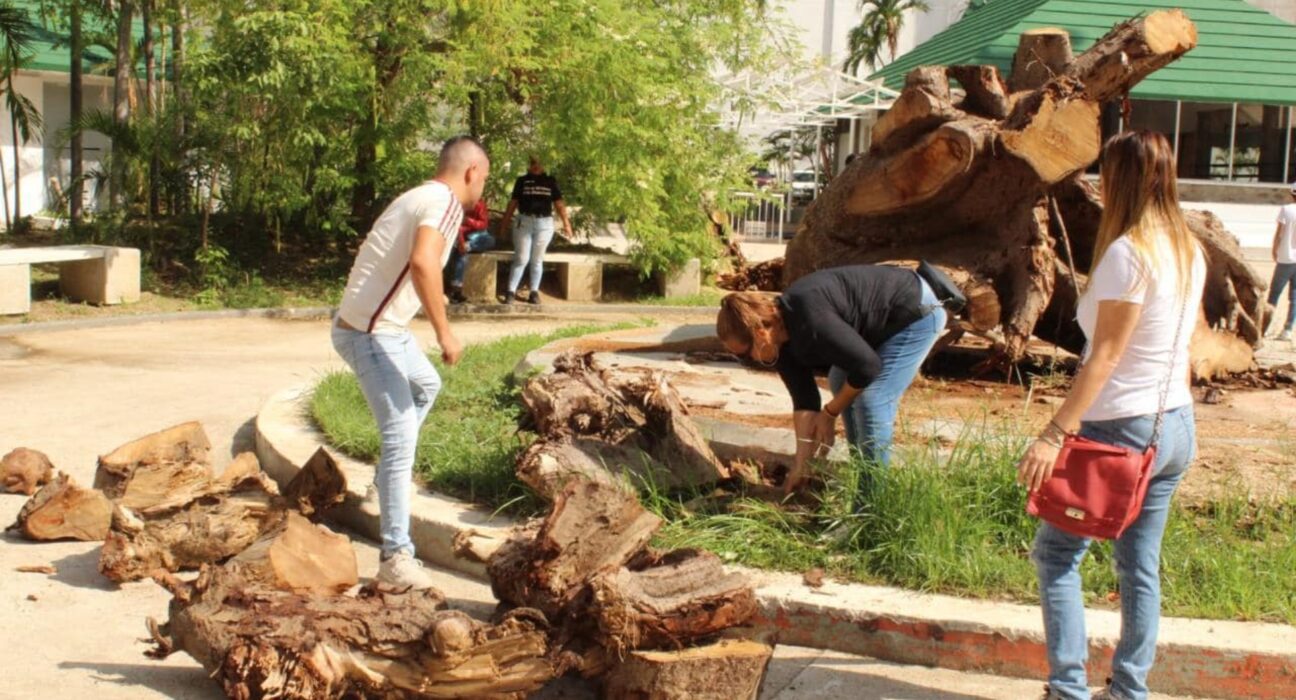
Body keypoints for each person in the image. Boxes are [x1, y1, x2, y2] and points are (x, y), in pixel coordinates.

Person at [1016, 131, 1204, 700]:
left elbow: (1105, 357)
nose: (1098, 184)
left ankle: (1068, 689)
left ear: (1124, 179)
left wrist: (1054, 432)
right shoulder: (1186, 247)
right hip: (1173, 423)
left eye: (1105, 173)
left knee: (1055, 555)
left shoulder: (1129, 254)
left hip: (1119, 428)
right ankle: (1128, 691)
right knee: (1139, 568)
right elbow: (1181, 346)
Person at [331, 136, 490, 589]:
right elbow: (423, 262)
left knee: (426, 386)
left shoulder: (420, 195)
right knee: (400, 433)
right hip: (369, 335)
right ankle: (396, 557)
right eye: (485, 179)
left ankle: (385, 481)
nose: (482, 188)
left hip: (380, 329)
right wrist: (444, 332)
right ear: (471, 172)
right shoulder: (444, 201)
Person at [715, 264, 948, 508]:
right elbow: (805, 401)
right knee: (839, 379)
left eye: (744, 353)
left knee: (872, 398)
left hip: (918, 312)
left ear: (760, 332)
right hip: (883, 321)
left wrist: (830, 413)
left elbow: (867, 367)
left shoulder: (811, 321)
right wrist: (801, 466)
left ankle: (871, 507)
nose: (747, 360)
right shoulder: (780, 344)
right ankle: (864, 481)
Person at [496, 155, 574, 304]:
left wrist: (566, 223)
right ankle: (511, 291)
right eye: (533, 163)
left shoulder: (551, 181)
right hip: (524, 222)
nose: (536, 166)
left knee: (537, 260)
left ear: (544, 165)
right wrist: (504, 224)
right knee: (521, 258)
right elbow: (513, 203)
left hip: (544, 224)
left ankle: (534, 292)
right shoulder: (522, 181)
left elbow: (559, 204)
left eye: (539, 163)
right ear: (529, 165)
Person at [447, 197, 495, 304]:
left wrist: (468, 221)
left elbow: (483, 224)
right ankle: (456, 291)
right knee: (461, 255)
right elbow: (456, 227)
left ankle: (468, 246)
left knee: (490, 240)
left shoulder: (479, 204)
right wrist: (461, 242)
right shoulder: (457, 204)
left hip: (477, 235)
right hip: (459, 235)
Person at [1265, 181, 1296, 341]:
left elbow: (1279, 234)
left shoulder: (1286, 210)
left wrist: (1274, 250)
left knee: (1274, 294)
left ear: (1292, 194)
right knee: (1294, 297)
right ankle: (1288, 330)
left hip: (1285, 258)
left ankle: (1265, 326)